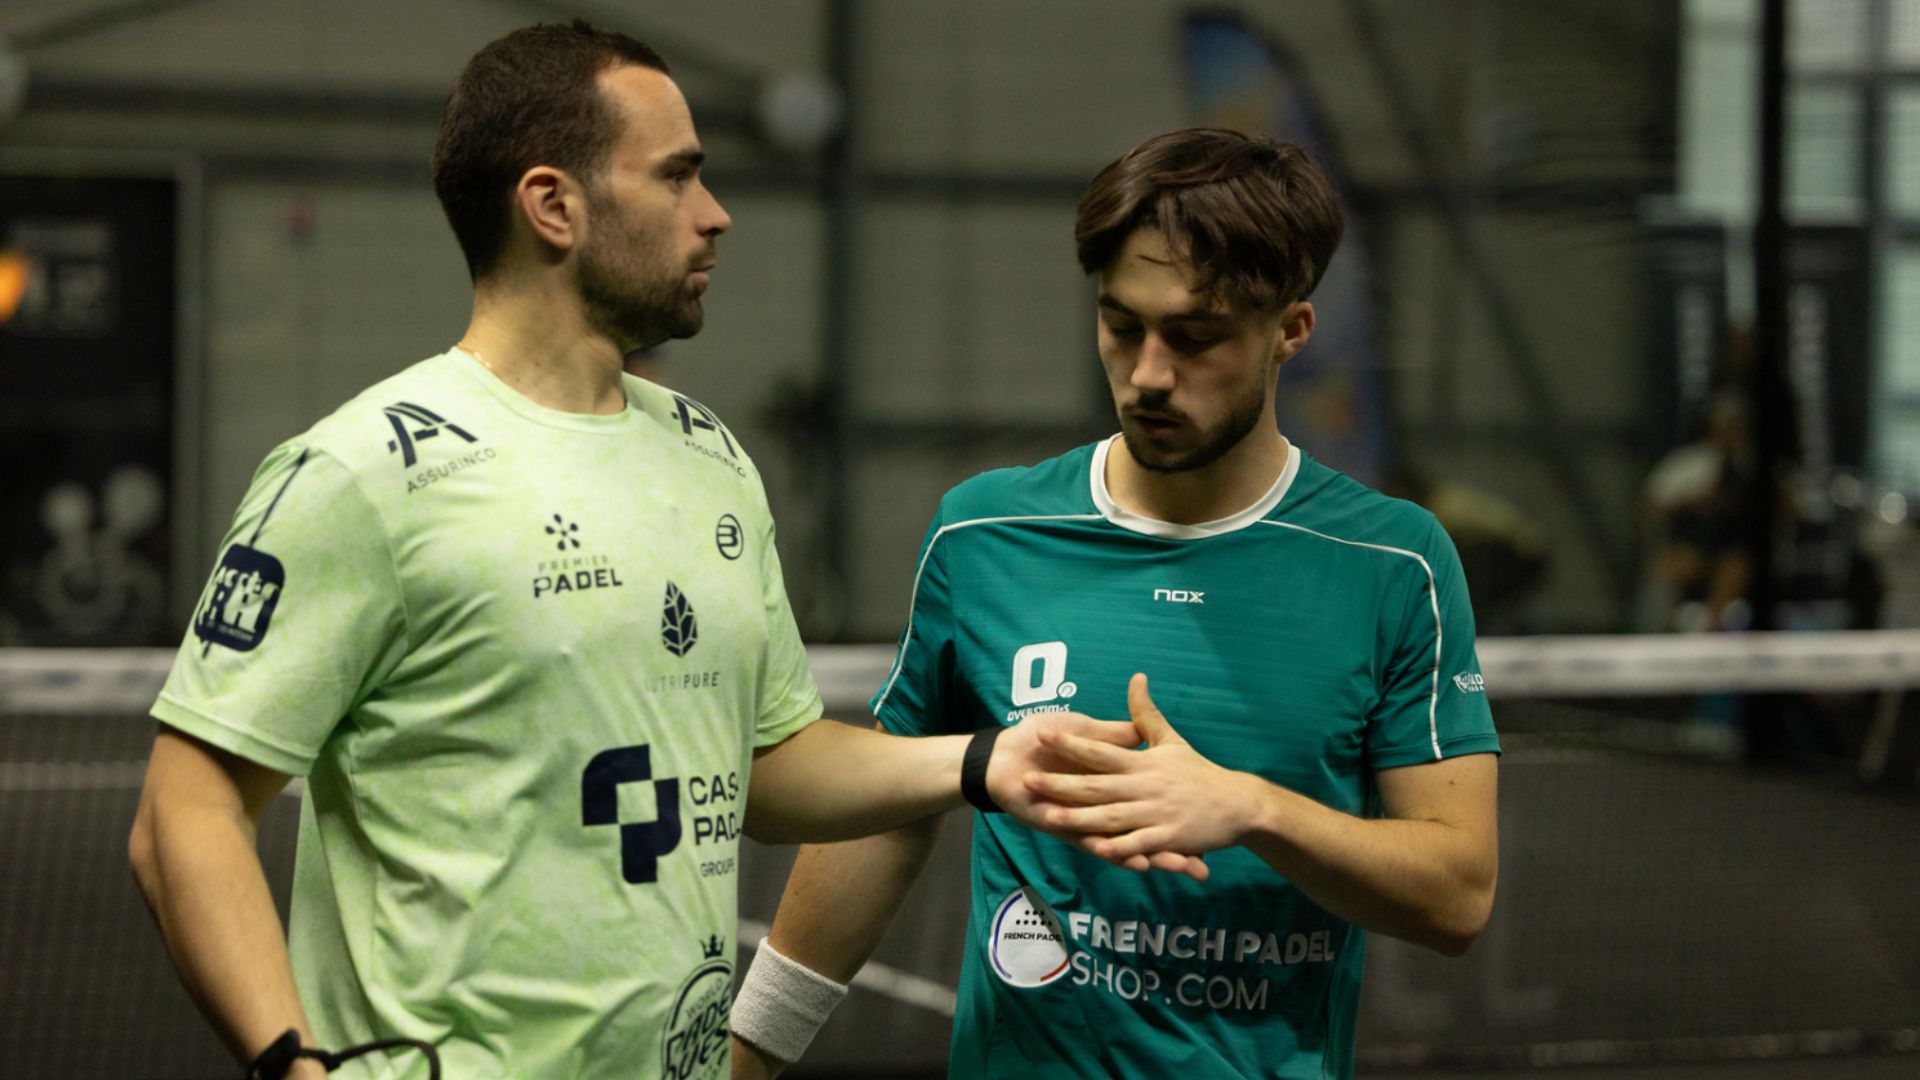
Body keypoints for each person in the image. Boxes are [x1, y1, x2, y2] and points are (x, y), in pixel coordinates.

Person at [125, 22, 1170, 1080]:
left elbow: (763, 770)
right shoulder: (363, 474)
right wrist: (293, 1066)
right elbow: (184, 814)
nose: (715, 214)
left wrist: (986, 760)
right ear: (553, 206)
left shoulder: (709, 456)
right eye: (676, 176)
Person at [730, 129, 1502, 1080]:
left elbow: (1457, 894)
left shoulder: (1394, 564)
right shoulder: (984, 535)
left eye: (1196, 336)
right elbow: (891, 815)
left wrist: (1255, 809)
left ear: (1290, 332)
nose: (1148, 375)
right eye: (1121, 326)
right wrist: (749, 1054)